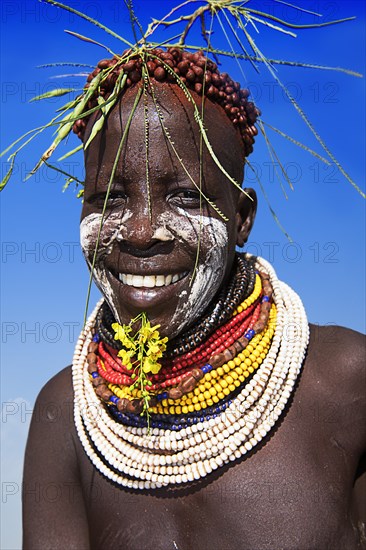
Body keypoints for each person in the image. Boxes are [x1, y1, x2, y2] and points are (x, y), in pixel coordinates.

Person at [21, 45, 365, 550]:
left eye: (184, 197)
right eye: (108, 198)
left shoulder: (346, 382)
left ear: (242, 217)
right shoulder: (67, 413)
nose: (140, 231)